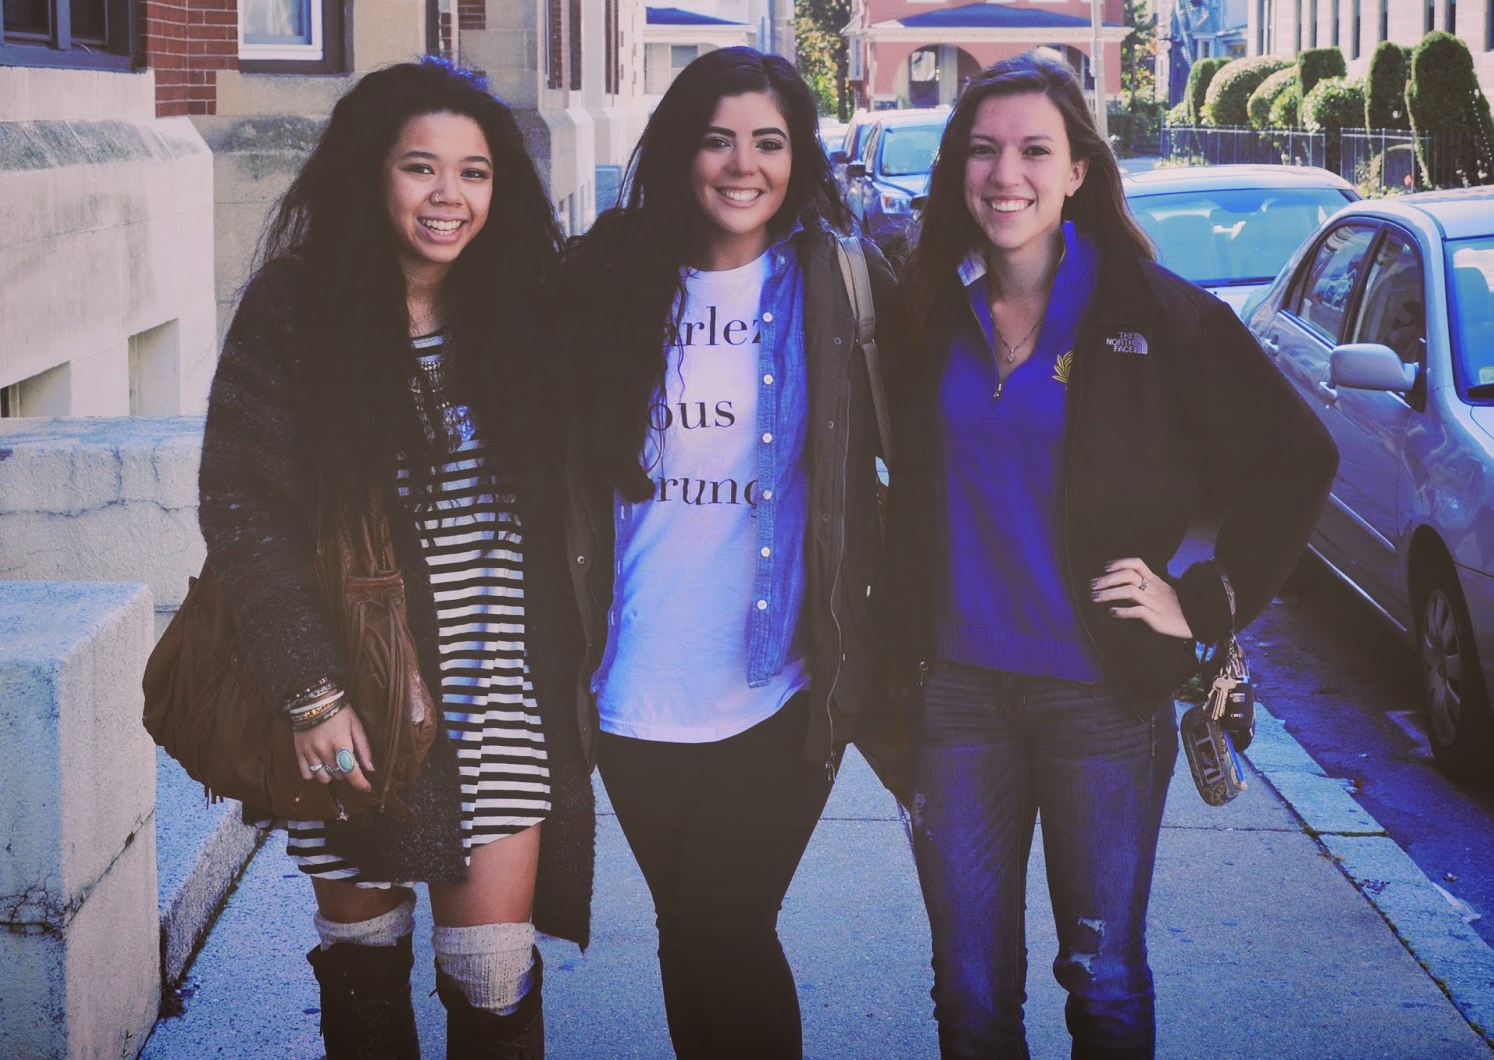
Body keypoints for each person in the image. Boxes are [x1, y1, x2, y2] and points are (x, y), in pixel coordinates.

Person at [883, 51, 1337, 1058]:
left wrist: (1204, 599)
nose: (1006, 174)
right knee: (969, 996)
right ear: (958, 169)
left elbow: (1296, 455)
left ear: (1078, 170)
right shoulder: (927, 311)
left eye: (1034, 151)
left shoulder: (1150, 313)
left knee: (1104, 980)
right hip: (955, 696)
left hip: (1101, 696)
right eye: (983, 150)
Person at [197, 59, 593, 1060]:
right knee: (366, 969)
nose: (448, 195)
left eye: (475, 172)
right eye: (421, 167)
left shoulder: (526, 306)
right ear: (371, 173)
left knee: (492, 978)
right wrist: (310, 693)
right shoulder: (296, 310)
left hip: (496, 696)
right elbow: (242, 507)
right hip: (352, 697)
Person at [555, 47, 897, 1060]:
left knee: (725, 925)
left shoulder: (841, 285)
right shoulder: (603, 280)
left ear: (799, 158)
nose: (743, 165)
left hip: (779, 685)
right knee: (686, 931)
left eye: (768, 142)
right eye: (717, 140)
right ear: (679, 151)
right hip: (630, 685)